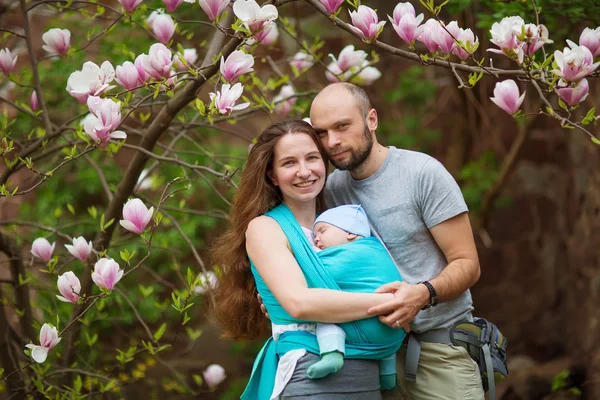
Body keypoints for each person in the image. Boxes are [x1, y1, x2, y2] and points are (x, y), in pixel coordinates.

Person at [306, 82, 484, 399]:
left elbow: (467, 264)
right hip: (366, 356)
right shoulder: (329, 189)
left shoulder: (422, 173)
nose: (332, 142)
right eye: (321, 133)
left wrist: (422, 293)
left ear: (371, 120)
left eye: (342, 126)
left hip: (439, 351)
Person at [210, 120, 406, 400]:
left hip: (366, 378)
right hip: (311, 379)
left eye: (312, 158)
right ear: (272, 175)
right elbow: (300, 303)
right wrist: (395, 302)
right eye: (289, 163)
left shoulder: (340, 226)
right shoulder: (266, 228)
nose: (304, 171)